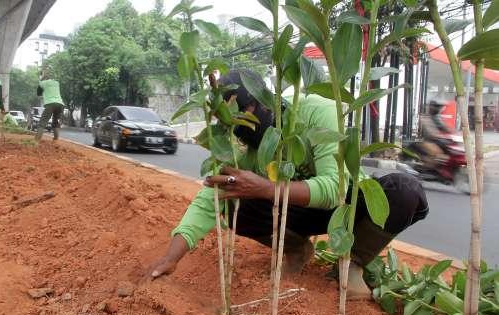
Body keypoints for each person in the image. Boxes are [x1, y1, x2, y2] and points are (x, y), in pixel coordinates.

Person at [145, 71, 429, 300]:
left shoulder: (317, 113)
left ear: (263, 102)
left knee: (405, 191)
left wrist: (267, 188)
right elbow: (210, 198)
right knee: (233, 203)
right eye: (230, 124)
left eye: (243, 114)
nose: (240, 130)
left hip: (349, 205)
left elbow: (336, 188)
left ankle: (351, 263)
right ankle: (295, 249)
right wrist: (171, 258)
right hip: (299, 211)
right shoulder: (248, 151)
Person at [36, 69, 64, 141]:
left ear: (42, 76)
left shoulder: (42, 83)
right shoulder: (56, 83)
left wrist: (41, 79)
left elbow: (38, 94)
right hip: (60, 104)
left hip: (50, 104)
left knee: (42, 122)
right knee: (55, 122)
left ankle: (36, 141)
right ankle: (56, 140)